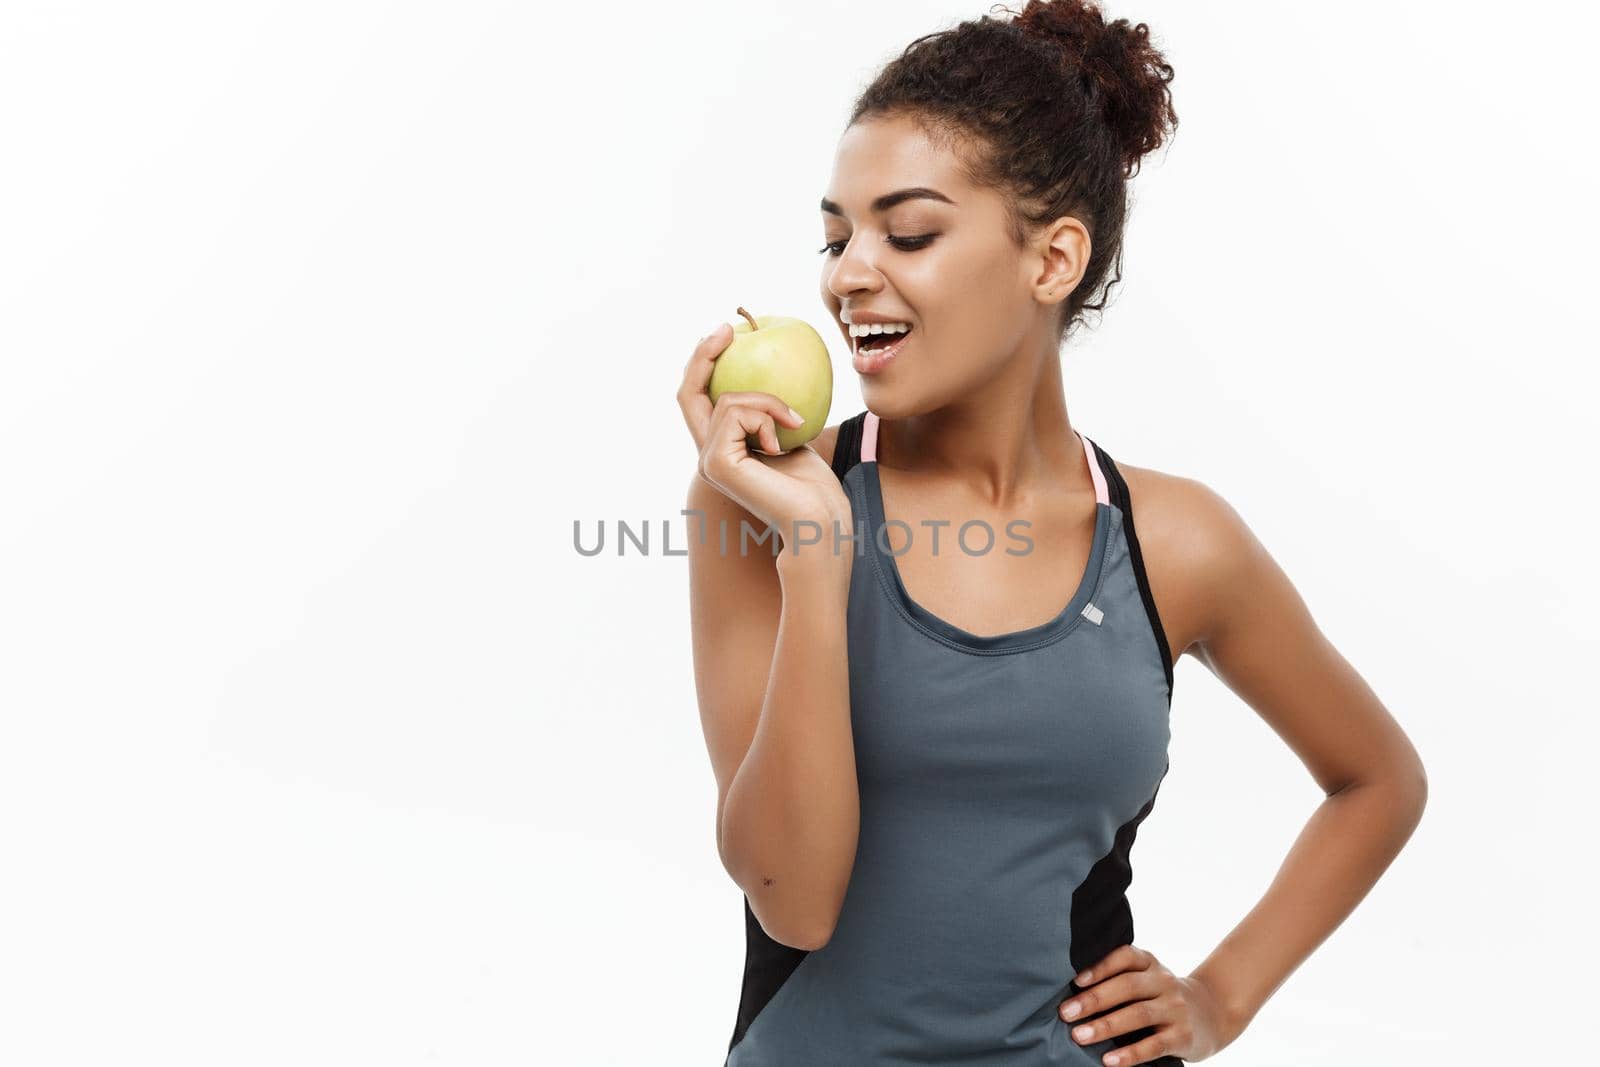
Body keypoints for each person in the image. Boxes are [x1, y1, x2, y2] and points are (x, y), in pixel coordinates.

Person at [676, 2, 1427, 1063]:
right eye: (836, 234)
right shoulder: (761, 501)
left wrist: (1219, 994)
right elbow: (792, 902)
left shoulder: (1176, 542)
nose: (846, 273)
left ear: (1052, 258)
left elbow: (1377, 779)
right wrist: (812, 550)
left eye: (910, 231)